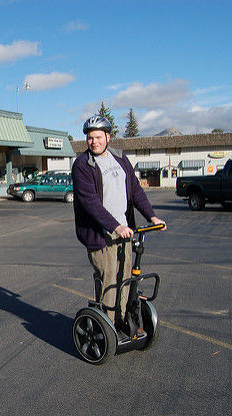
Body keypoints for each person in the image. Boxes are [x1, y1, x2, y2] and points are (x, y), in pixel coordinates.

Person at [71, 115, 166, 334]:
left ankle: (123, 320)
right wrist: (115, 226)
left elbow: (136, 190)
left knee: (125, 278)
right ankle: (109, 327)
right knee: (109, 282)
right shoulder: (82, 165)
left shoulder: (120, 159)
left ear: (108, 137)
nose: (94, 142)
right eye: (90, 138)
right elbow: (90, 202)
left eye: (98, 137)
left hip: (125, 231)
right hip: (101, 234)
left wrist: (152, 217)